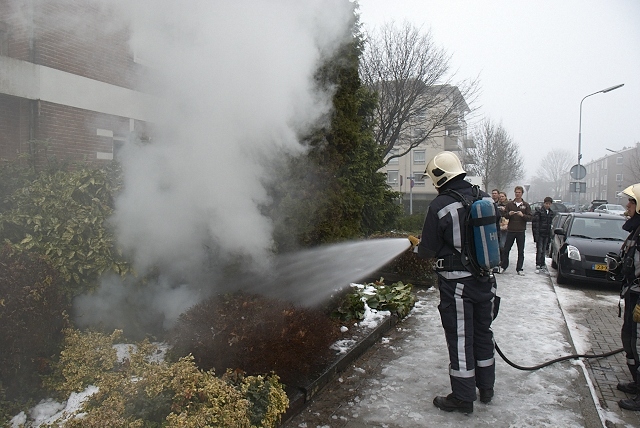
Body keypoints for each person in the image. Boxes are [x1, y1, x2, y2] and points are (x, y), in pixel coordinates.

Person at [416, 151, 499, 414]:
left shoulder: (440, 206)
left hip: (457, 285)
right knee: (484, 333)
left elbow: (428, 250)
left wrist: (416, 247)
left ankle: (463, 397)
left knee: (461, 338)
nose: (433, 184)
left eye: (433, 178)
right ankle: (486, 388)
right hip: (486, 281)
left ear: (441, 176)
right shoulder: (484, 197)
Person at [615, 184, 640, 411]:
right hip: (632, 295)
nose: (627, 205)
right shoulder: (635, 230)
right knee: (629, 340)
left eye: (631, 202)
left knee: (638, 344)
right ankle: (636, 383)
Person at [498, 186, 532, 275]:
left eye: (519, 192)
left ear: (522, 193)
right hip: (511, 230)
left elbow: (530, 217)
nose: (517, 194)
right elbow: (504, 215)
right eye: (516, 192)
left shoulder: (526, 205)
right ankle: (503, 266)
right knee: (506, 249)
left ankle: (519, 268)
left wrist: (523, 215)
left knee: (521, 251)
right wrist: (508, 214)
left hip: (521, 231)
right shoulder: (510, 204)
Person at [532, 197, 554, 274]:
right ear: (544, 203)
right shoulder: (539, 212)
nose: (548, 205)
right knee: (539, 249)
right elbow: (536, 224)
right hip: (540, 233)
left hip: (546, 234)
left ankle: (542, 263)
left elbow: (551, 224)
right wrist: (536, 235)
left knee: (544, 250)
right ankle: (538, 263)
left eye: (549, 204)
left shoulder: (551, 213)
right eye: (546, 203)